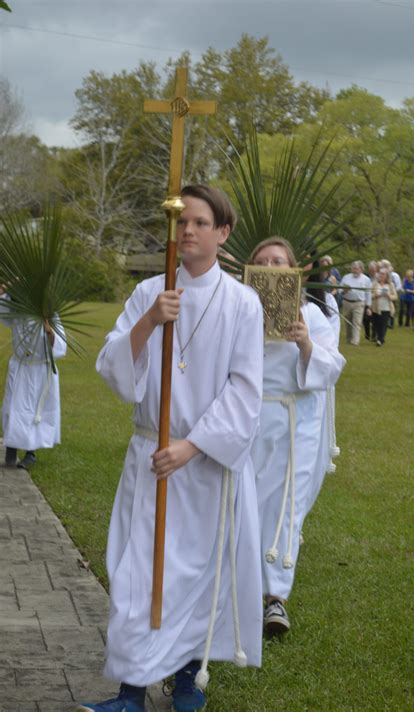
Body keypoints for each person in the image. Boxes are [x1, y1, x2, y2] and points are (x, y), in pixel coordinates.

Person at [78, 185, 264, 712]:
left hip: (203, 466)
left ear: (223, 233)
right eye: (182, 221)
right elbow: (113, 369)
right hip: (150, 460)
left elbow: (245, 391)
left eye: (200, 222)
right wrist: (149, 321)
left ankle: (186, 679)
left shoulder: (241, 304)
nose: (187, 231)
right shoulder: (148, 294)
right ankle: (130, 693)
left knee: (195, 576)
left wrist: (192, 446)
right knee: (139, 573)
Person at [248, 237, 345, 635]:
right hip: (250, 417)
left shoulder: (313, 315)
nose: (271, 266)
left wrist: (305, 341)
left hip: (295, 420)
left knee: (287, 504)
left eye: (279, 261)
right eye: (263, 261)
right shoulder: (239, 311)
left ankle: (277, 600)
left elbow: (332, 367)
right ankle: (241, 585)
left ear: (294, 269)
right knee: (248, 501)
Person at [0, 289, 66, 469]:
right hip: (20, 366)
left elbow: (61, 346)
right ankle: (12, 446)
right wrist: (5, 290)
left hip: (39, 369)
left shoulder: (48, 314)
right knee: (12, 407)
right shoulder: (16, 312)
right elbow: (2, 312)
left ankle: (31, 453)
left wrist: (50, 332)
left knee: (35, 412)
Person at [340, 261, 372, 345]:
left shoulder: (366, 279)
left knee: (357, 322)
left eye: (356, 269)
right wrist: (344, 290)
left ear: (361, 269)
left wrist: (368, 306)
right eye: (353, 268)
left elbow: (368, 293)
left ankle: (355, 341)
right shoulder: (346, 277)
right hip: (347, 302)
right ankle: (349, 338)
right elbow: (339, 290)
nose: (354, 270)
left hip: (359, 303)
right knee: (348, 322)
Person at [371, 268, 397, 346]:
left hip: (387, 307)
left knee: (384, 324)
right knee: (377, 324)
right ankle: (380, 337)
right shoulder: (375, 284)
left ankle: (380, 340)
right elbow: (370, 295)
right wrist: (376, 295)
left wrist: (389, 296)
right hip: (376, 308)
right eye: (380, 274)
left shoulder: (390, 285)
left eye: (383, 274)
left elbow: (395, 296)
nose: (381, 275)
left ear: (386, 276)